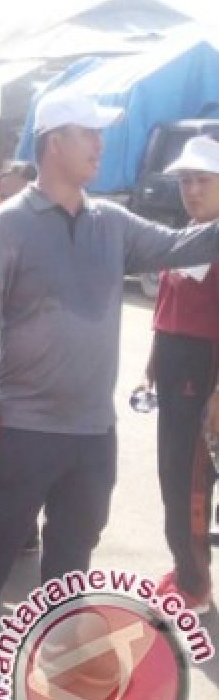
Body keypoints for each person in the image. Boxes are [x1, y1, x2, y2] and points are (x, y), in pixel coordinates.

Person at [0, 91, 219, 675]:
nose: (100, 144)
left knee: (73, 547)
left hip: (93, 432)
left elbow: (180, 245)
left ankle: (56, 653)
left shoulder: (111, 222)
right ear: (53, 141)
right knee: (0, 538)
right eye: (90, 133)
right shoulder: (8, 227)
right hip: (27, 424)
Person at [145, 135, 219, 611]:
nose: (192, 190)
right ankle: (184, 565)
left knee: (190, 479)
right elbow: (167, 306)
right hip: (174, 374)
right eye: (186, 181)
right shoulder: (188, 233)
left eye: (203, 181)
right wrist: (152, 362)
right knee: (172, 475)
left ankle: (194, 583)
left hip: (203, 377)